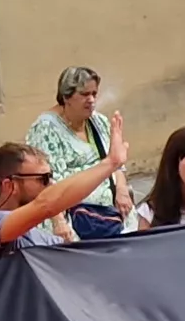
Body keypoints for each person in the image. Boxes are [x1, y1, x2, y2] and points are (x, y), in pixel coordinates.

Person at [0, 131, 124, 259]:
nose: (51, 185)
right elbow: (46, 204)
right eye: (42, 179)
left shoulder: (43, 238)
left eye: (51, 176)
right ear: (9, 185)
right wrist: (110, 163)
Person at [22, 66, 134, 238]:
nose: (91, 100)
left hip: (110, 214)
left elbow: (116, 163)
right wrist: (59, 222)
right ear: (66, 96)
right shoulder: (45, 130)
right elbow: (46, 183)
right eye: (84, 94)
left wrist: (122, 189)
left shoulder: (99, 122)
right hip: (72, 217)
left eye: (94, 94)